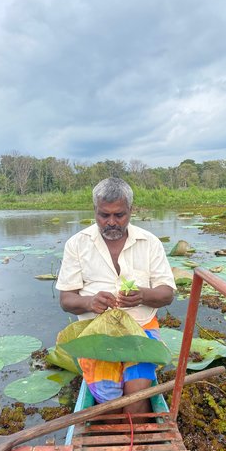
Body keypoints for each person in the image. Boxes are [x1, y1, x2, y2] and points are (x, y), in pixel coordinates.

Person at [56, 177, 176, 414]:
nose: (111, 222)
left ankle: (134, 443)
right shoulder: (77, 244)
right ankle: (113, 427)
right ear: (95, 211)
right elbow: (66, 300)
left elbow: (167, 294)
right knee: (108, 398)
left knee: (137, 393)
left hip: (141, 329)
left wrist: (142, 295)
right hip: (96, 332)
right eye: (104, 215)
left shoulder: (149, 242)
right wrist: (90, 301)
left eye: (119, 215)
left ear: (131, 210)